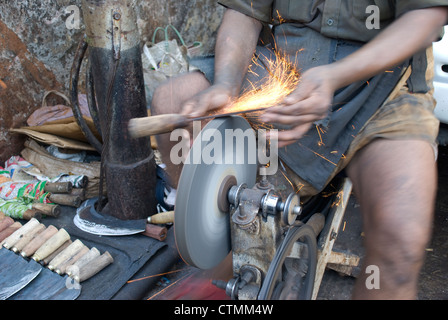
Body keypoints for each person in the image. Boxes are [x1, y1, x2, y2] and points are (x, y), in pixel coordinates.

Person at [151, 1, 448, 299]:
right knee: (173, 102)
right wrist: (226, 84)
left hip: (384, 85)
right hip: (286, 66)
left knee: (400, 243)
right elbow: (245, 11)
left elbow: (426, 15)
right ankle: (222, 262)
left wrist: (334, 76)